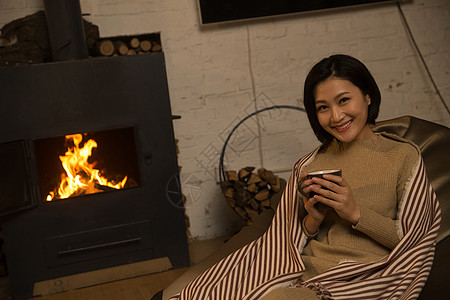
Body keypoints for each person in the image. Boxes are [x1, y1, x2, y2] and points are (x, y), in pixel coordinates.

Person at [166, 55, 441, 299]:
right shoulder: (311, 164)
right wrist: (312, 221)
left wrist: (355, 212)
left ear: (367, 95)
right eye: (323, 107)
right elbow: (282, 242)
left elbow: (414, 241)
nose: (335, 116)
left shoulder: (402, 156)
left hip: (361, 278)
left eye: (344, 100)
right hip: (302, 275)